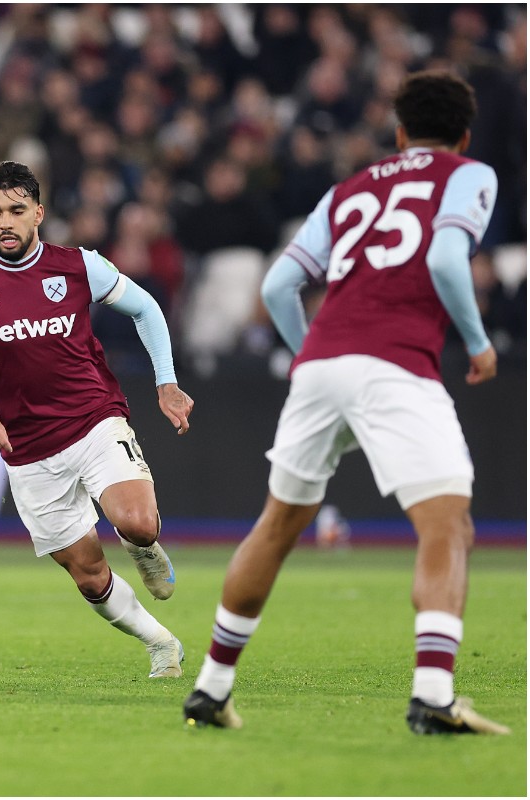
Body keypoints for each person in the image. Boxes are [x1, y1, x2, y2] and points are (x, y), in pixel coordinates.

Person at [182, 70, 509, 735]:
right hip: (395, 363)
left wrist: (309, 355)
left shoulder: (350, 188)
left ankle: (211, 690)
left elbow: (280, 286)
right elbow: (448, 261)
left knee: (276, 527)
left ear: (397, 133)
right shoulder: (468, 173)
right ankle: (434, 696)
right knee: (448, 526)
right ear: (464, 135)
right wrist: (477, 343)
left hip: (323, 363)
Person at [0, 160, 193, 679]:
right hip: (26, 451)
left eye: (17, 211)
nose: (6, 222)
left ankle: (144, 544)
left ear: (38, 213)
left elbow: (147, 309)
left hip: (94, 421)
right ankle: (160, 642)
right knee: (90, 577)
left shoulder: (78, 266)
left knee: (135, 521)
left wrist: (166, 381)